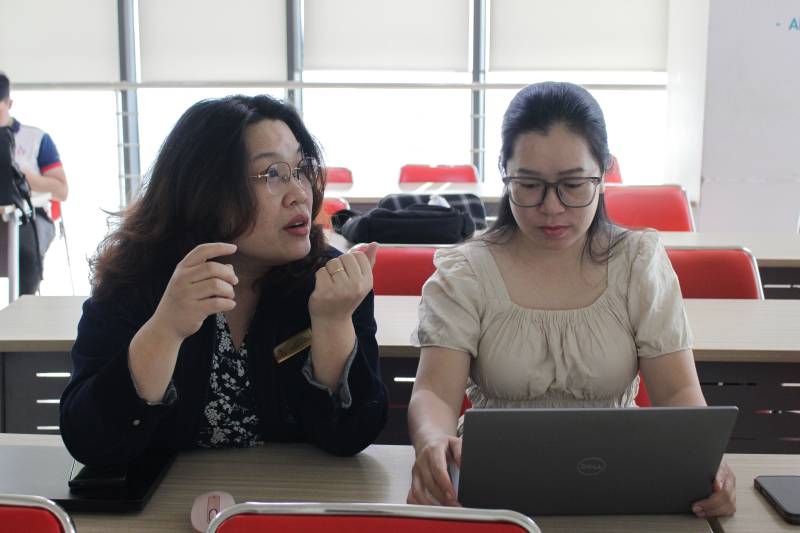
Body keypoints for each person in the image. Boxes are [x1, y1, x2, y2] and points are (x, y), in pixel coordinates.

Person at [407, 81, 736, 517]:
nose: (551, 207)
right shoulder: (466, 272)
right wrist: (432, 439)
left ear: (604, 173)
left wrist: (706, 463)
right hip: (495, 485)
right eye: (529, 185)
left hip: (621, 480)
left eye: (573, 184)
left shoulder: (636, 263)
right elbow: (435, 391)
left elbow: (677, 391)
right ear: (505, 172)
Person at [60, 94, 388, 466]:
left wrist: (333, 322)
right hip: (167, 497)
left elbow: (351, 436)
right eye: (273, 174)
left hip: (288, 495)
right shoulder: (138, 279)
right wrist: (165, 330)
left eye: (301, 170)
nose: (300, 194)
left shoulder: (328, 281)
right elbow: (89, 442)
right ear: (207, 191)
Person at [0, 72, 67, 294]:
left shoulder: (35, 138)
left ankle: (24, 304)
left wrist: (23, 177)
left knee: (25, 253)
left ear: (9, 103)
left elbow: (61, 190)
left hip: (29, 216)